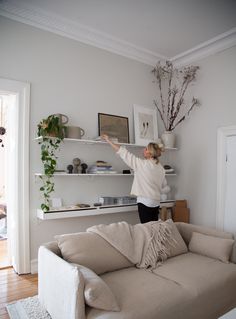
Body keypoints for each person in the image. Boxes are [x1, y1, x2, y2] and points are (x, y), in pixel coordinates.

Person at [101, 134, 170, 223]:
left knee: (146, 229)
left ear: (150, 152)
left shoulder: (142, 164)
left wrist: (108, 140)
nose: (143, 150)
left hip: (145, 202)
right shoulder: (161, 168)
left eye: (145, 149)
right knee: (154, 228)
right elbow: (164, 185)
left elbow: (123, 152)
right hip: (156, 202)